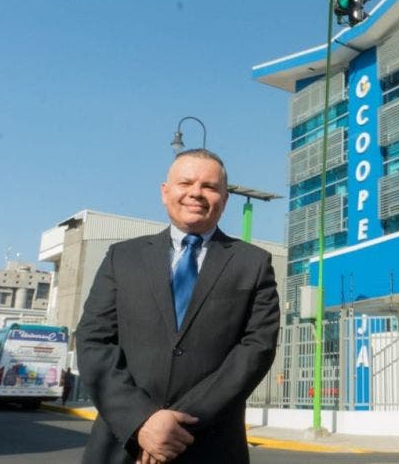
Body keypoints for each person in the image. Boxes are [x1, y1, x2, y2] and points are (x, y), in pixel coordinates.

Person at [76, 149, 280, 463]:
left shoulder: (253, 264)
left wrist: (176, 424)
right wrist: (142, 422)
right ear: (165, 192)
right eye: (186, 182)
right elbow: (94, 341)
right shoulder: (122, 258)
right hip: (124, 444)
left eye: (210, 186)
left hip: (209, 446)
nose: (196, 193)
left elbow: (256, 350)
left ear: (224, 199)